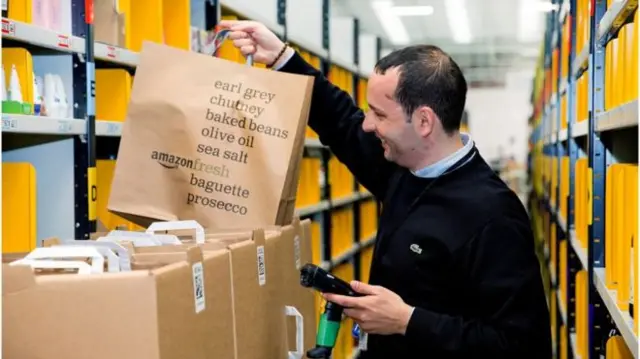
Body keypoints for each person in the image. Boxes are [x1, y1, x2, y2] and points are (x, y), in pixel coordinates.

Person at [219, 20, 552, 359]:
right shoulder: (403, 168)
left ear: (424, 122)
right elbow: (342, 123)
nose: (368, 124)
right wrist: (281, 58)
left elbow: (520, 345)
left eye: (379, 114)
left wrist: (408, 320)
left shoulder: (494, 216)